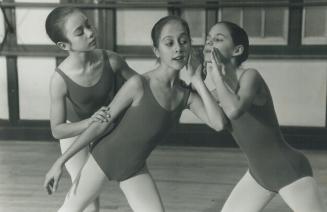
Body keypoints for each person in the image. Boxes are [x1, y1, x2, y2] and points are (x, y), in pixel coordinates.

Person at [44, 16, 227, 212]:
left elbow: (219, 124)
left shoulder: (185, 95)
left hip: (134, 167)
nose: (178, 48)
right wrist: (60, 162)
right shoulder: (138, 84)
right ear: (156, 50)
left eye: (183, 42)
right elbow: (101, 124)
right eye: (169, 43)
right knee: (74, 209)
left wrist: (198, 81)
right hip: (103, 159)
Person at [204, 21, 326, 212]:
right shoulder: (219, 92)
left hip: (289, 171)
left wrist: (216, 75)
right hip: (259, 176)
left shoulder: (250, 77)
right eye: (208, 40)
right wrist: (193, 78)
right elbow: (195, 103)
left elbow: (235, 109)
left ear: (237, 50)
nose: (210, 44)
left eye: (218, 39)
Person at [45, 7, 137, 212]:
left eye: (88, 25)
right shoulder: (59, 79)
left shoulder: (112, 60)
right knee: (88, 202)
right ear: (63, 44)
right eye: (80, 32)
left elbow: (141, 88)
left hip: (106, 129)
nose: (90, 32)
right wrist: (91, 121)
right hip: (74, 131)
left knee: (107, 190)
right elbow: (57, 130)